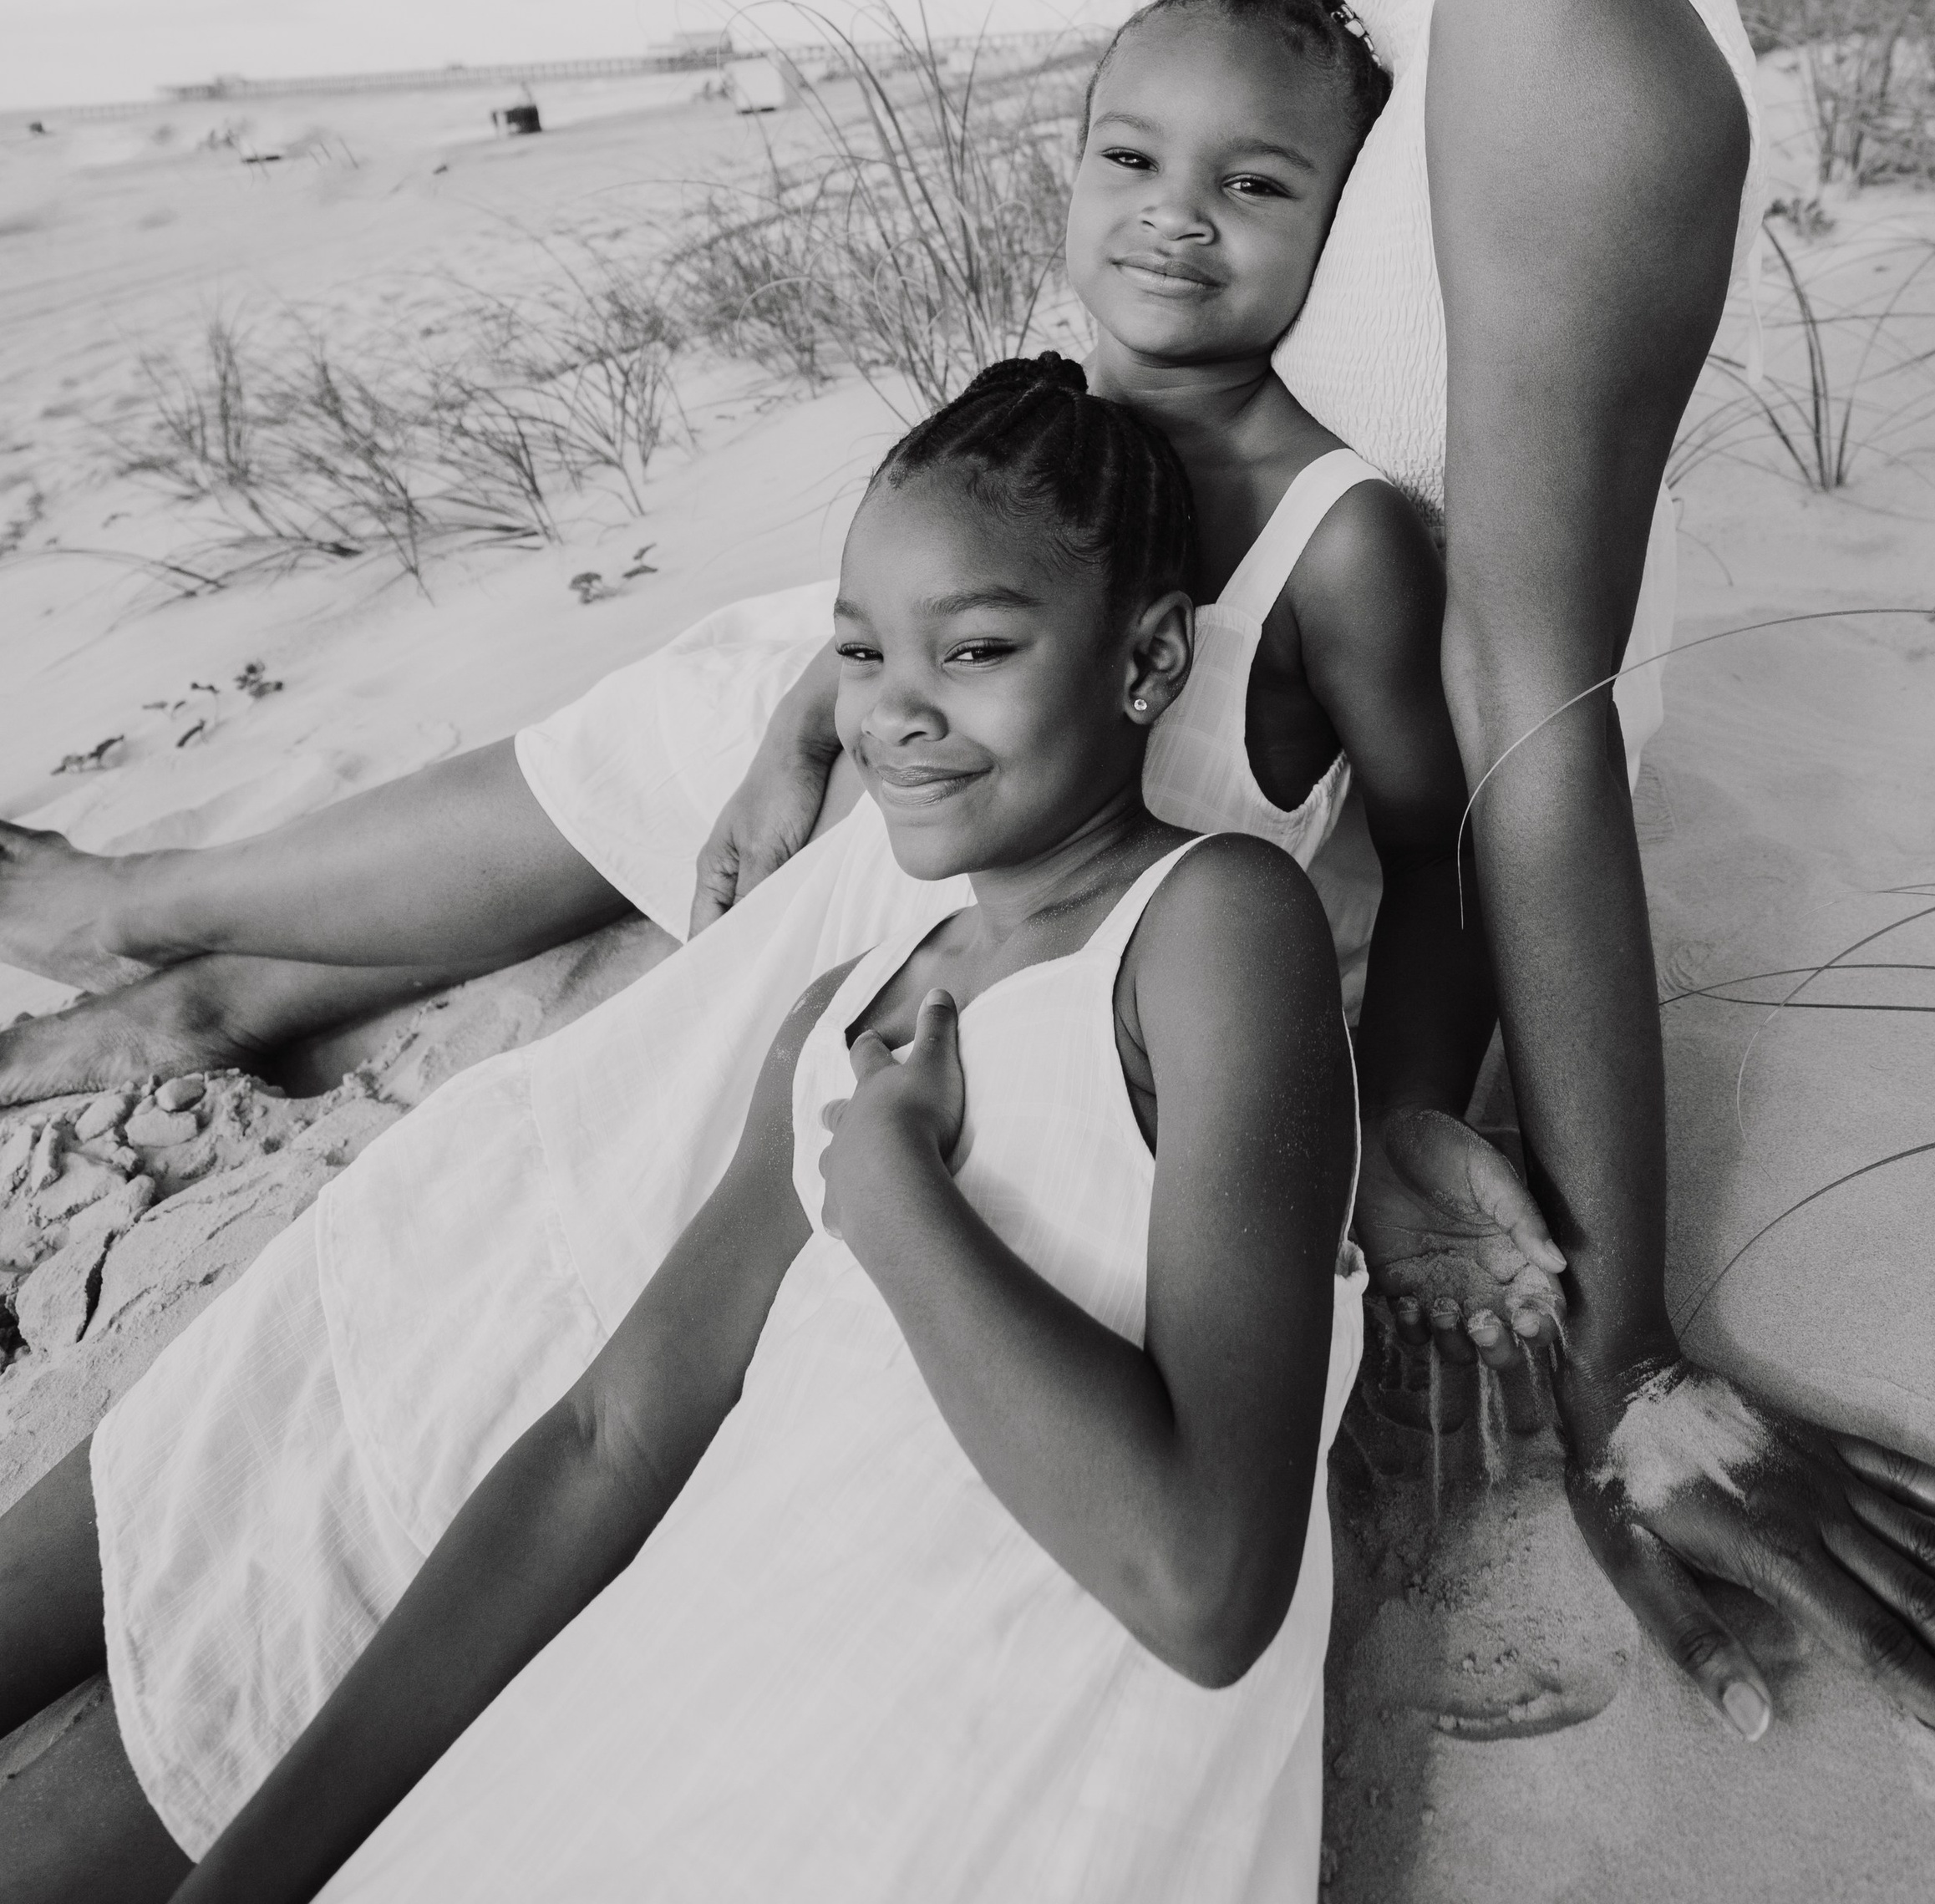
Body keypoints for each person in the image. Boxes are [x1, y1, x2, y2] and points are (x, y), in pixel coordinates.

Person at [0, 0, 1935, 1778]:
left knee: (433, 1389)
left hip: (1141, 849)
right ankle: (189, 959)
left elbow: (1533, 699)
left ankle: (173, 987)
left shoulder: (1547, 11)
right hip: (1086, 736)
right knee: (466, 1278)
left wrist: (1616, 1339)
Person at [4, 365, 1367, 1904]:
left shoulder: (1211, 932)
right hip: (675, 1715)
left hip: (988, 1785)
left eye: (975, 650)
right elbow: (605, 1441)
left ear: (1150, 660)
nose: (898, 712)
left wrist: (896, 1199)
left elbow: (1204, 1584)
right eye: (858, 652)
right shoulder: (844, 1014)